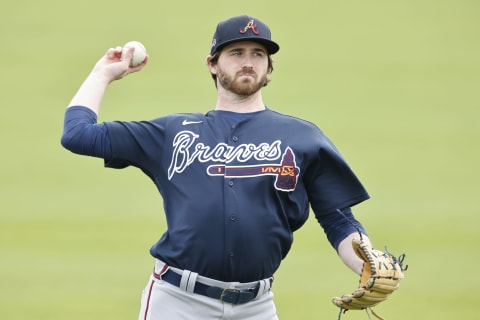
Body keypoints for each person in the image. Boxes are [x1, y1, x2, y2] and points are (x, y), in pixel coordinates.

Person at [61, 15, 372, 320]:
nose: (248, 61)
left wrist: (370, 264)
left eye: (258, 54)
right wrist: (102, 74)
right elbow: (78, 135)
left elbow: (338, 220)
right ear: (212, 63)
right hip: (177, 302)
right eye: (236, 53)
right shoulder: (173, 133)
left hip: (257, 306)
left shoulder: (302, 137)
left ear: (269, 66)